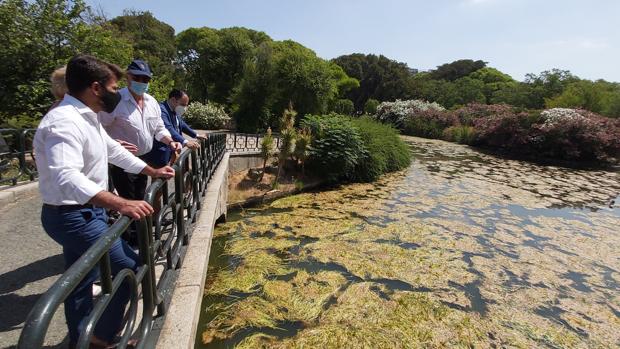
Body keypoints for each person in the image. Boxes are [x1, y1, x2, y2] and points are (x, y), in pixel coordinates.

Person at [34, 54, 175, 348]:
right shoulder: (64, 122)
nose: (117, 93)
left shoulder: (88, 117)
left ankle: (81, 338)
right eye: (113, 88)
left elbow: (113, 150)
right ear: (96, 88)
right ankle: (100, 338)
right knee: (130, 270)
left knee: (81, 282)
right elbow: (65, 176)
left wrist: (150, 170)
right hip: (73, 215)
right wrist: (120, 202)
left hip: (87, 213)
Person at [99, 59, 181, 244]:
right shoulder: (116, 100)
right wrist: (112, 143)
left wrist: (170, 142)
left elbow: (159, 128)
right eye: (137, 77)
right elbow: (97, 126)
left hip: (143, 160)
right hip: (122, 161)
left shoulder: (151, 102)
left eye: (145, 79)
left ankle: (137, 238)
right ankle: (135, 242)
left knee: (141, 197)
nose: (141, 82)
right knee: (131, 201)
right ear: (128, 77)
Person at [141, 89, 205, 168]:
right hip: (161, 152)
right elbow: (168, 128)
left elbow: (181, 124)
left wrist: (196, 135)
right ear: (173, 100)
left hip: (172, 151)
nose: (185, 108)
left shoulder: (174, 109)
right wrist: (185, 142)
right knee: (160, 178)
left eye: (186, 105)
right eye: (183, 105)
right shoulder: (161, 110)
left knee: (184, 171)